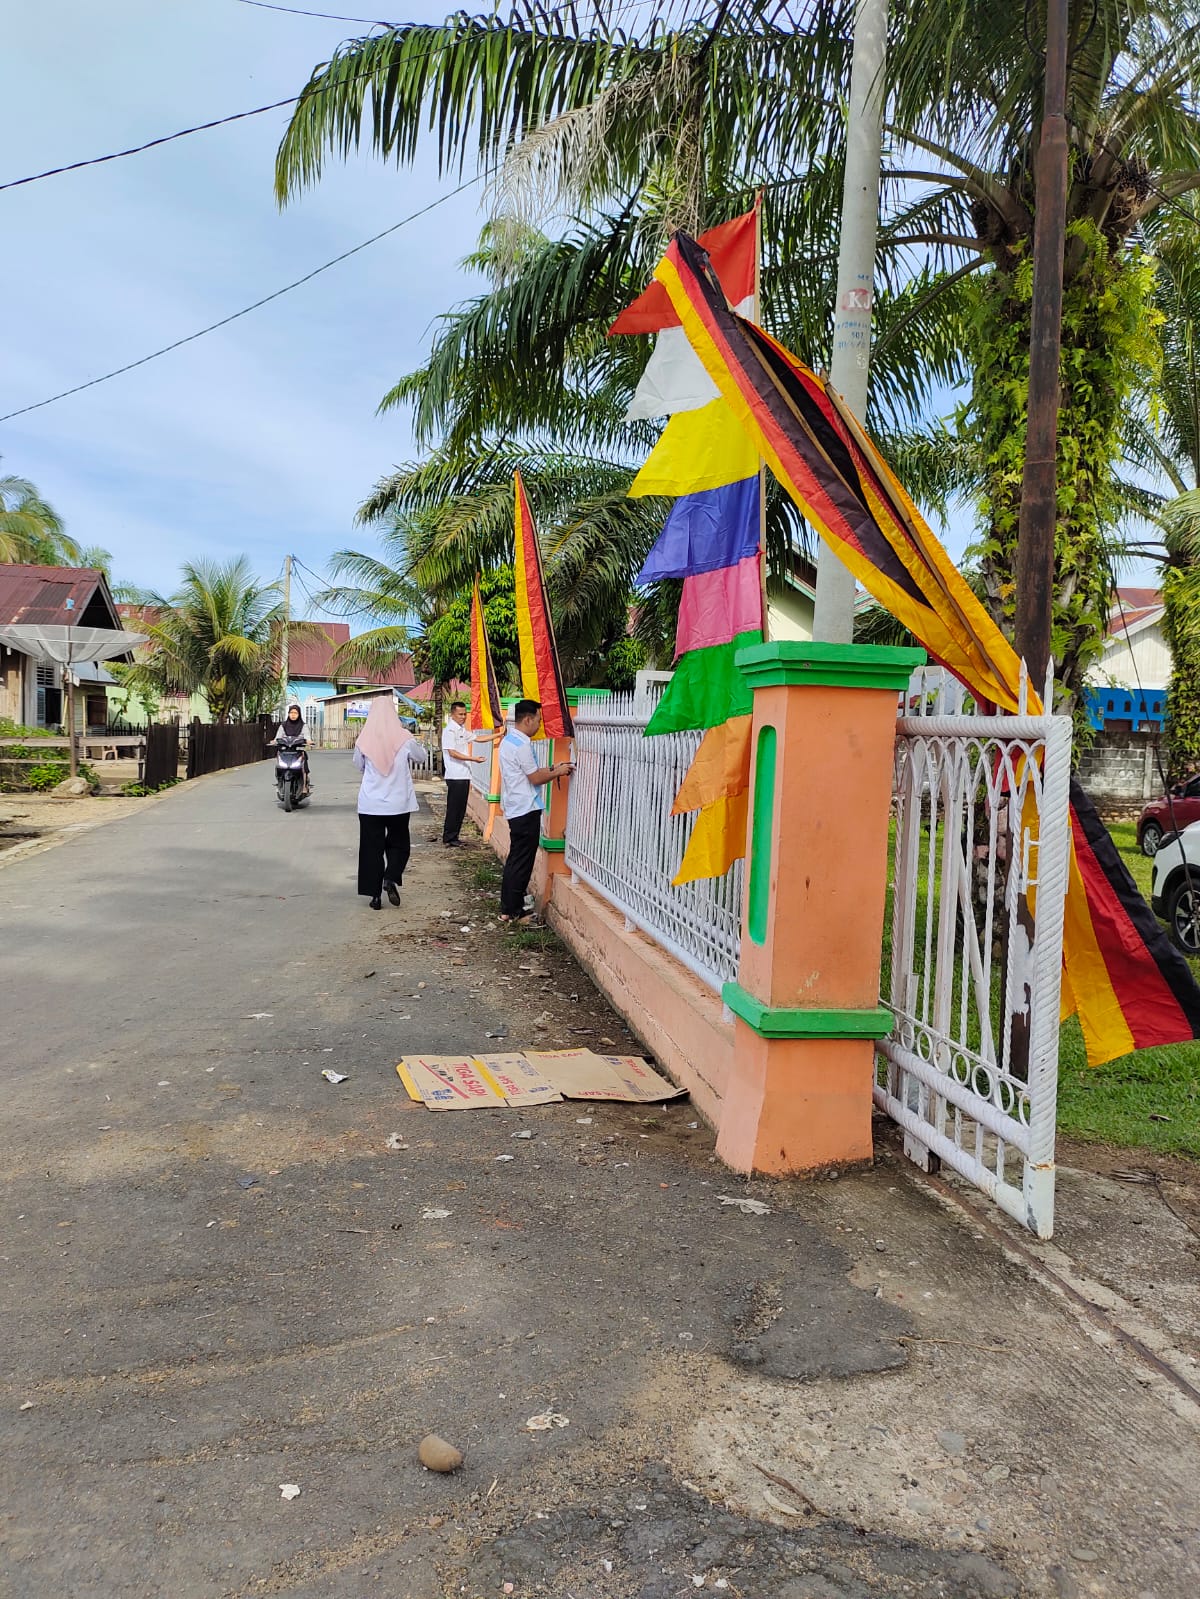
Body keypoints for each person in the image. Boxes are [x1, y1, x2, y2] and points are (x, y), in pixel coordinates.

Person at [497, 698, 574, 923]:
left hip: (515, 806)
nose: (539, 725)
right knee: (522, 862)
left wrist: (554, 768)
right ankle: (515, 911)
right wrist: (557, 772)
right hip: (525, 808)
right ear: (528, 719)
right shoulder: (522, 745)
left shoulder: (509, 741)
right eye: (538, 720)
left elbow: (528, 772)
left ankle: (508, 908)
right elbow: (534, 777)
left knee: (515, 860)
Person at [353, 695, 429, 910]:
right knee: (399, 844)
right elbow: (421, 757)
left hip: (370, 804)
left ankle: (374, 897)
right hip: (398, 803)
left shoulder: (363, 739)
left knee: (371, 849)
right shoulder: (404, 737)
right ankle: (390, 877)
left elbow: (359, 766)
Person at [440, 700, 483, 847]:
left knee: (460, 808)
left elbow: (478, 738)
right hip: (455, 775)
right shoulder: (449, 731)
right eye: (460, 714)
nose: (463, 717)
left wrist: (499, 735)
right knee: (454, 807)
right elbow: (452, 753)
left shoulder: (462, 730)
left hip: (464, 774)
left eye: (465, 714)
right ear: (452, 714)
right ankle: (449, 837)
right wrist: (473, 758)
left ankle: (454, 836)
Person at [273, 702, 310, 795]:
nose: (293, 715)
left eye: (295, 713)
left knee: (303, 765)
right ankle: (279, 783)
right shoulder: (283, 725)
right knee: (279, 765)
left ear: (299, 714)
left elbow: (307, 737)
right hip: (284, 751)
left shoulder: (303, 725)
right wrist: (274, 741)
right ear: (288, 714)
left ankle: (304, 785)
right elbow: (277, 737)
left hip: (297, 751)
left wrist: (309, 741)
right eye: (291, 713)